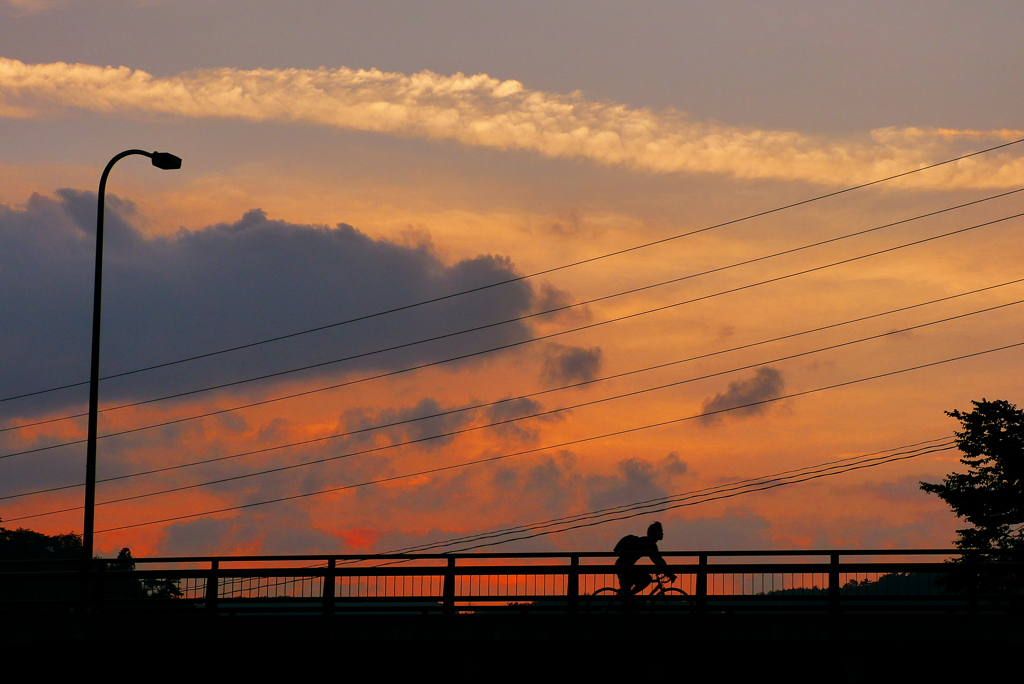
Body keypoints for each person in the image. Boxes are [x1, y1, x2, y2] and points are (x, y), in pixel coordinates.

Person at [614, 521, 676, 596]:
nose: (662, 533)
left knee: (629, 593)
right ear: (654, 533)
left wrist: (668, 572)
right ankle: (629, 596)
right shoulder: (648, 544)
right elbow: (658, 560)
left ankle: (628, 597)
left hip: (623, 566)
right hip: (623, 567)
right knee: (646, 579)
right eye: (660, 531)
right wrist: (669, 573)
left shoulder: (648, 543)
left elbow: (658, 560)